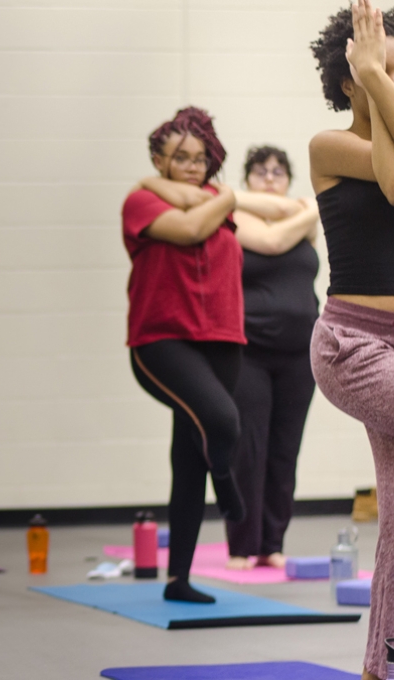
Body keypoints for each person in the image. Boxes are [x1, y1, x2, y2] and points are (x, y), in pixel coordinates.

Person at [122, 106, 246, 605]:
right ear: (159, 159)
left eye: (201, 158)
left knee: (188, 457)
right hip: (161, 341)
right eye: (180, 158)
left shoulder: (220, 198)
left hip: (222, 339)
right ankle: (229, 487)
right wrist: (228, 196)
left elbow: (207, 206)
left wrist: (230, 195)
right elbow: (191, 229)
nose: (194, 166)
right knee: (222, 420)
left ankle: (179, 579)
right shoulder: (139, 203)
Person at [309, 3, 394, 678]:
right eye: (376, 65)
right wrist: (369, 69)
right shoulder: (327, 146)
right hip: (353, 346)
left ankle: (377, 664)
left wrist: (378, 75)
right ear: (346, 80)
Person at [223, 146, 320, 571]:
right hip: (251, 350)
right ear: (247, 179)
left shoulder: (303, 221)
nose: (270, 177)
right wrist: (312, 208)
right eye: (261, 171)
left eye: (279, 171)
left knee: (285, 448)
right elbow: (272, 240)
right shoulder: (236, 216)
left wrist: (306, 212)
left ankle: (272, 542)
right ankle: (243, 545)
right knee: (249, 446)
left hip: (300, 352)